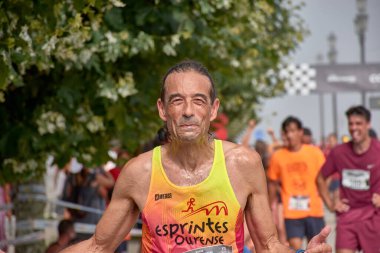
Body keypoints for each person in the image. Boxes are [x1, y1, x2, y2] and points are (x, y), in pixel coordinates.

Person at [61, 60, 332, 253]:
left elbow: (268, 245)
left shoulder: (242, 165)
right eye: (177, 100)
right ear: (162, 109)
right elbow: (98, 246)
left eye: (199, 100)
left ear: (213, 109)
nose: (188, 110)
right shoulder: (139, 173)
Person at [316, 105, 380, 253]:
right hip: (347, 217)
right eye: (351, 124)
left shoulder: (378, 150)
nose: (353, 128)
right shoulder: (339, 152)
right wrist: (331, 204)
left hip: (373, 218)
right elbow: (319, 179)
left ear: (368, 124)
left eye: (358, 123)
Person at [267, 116, 326, 250]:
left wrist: (328, 198)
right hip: (291, 212)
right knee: (294, 247)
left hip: (314, 210)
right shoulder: (278, 156)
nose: (290, 135)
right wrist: (269, 207)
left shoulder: (314, 153)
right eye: (287, 131)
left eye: (293, 131)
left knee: (317, 248)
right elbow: (272, 183)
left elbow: (323, 178)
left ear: (300, 132)